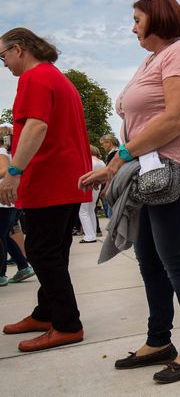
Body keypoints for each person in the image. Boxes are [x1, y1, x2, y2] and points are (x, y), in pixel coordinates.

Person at [78, 0, 180, 382]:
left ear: (158, 19)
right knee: (150, 259)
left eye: (137, 19)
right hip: (149, 169)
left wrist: (119, 157)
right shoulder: (153, 59)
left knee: (176, 260)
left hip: (177, 168)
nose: (133, 27)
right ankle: (159, 340)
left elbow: (176, 119)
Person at [0, 27, 92, 352]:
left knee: (41, 252)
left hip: (49, 179)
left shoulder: (34, 77)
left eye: (3, 56)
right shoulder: (57, 78)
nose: (4, 63)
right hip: (68, 179)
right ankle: (46, 312)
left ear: (18, 49)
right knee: (54, 251)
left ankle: (67, 324)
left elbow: (36, 125)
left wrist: (13, 172)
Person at [0, 124, 34, 286]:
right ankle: (23, 266)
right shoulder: (11, 152)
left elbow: (4, 170)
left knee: (1, 236)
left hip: (4, 201)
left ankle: (2, 274)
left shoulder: (1, 152)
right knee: (5, 235)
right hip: (11, 201)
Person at [78, 145, 106, 243]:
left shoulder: (89, 160)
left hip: (87, 185)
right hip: (97, 186)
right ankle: (92, 233)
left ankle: (89, 235)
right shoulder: (101, 162)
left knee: (83, 211)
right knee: (90, 210)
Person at [99, 134, 120, 218]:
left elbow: (111, 174)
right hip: (117, 185)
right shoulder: (117, 152)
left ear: (109, 142)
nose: (102, 146)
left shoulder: (113, 154)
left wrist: (106, 189)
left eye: (103, 143)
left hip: (114, 187)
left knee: (112, 215)